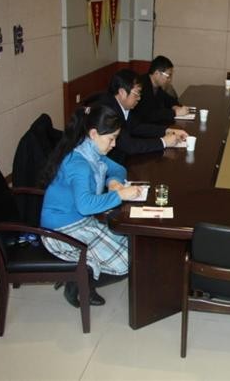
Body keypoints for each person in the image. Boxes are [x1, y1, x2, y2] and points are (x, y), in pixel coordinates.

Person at [40, 105, 142, 307]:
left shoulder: (91, 151)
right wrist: (120, 194)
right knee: (127, 262)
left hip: (80, 220)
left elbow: (119, 169)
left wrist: (113, 182)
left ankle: (84, 277)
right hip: (61, 230)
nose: (114, 144)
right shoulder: (80, 164)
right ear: (94, 133)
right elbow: (85, 206)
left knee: (133, 245)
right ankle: (78, 283)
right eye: (111, 138)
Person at [99, 69, 187, 163]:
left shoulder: (123, 106)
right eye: (137, 93)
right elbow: (129, 146)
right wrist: (164, 142)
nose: (139, 98)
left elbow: (137, 127)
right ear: (122, 92)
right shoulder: (108, 112)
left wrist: (167, 130)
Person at [132, 55, 190, 124]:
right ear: (157, 73)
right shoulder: (141, 85)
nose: (170, 79)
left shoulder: (156, 85)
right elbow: (149, 114)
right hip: (140, 125)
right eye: (168, 76)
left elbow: (167, 99)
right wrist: (174, 113)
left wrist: (175, 106)